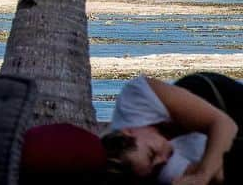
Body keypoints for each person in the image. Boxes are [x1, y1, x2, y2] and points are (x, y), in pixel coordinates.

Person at [103, 72, 243, 184]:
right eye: (155, 167)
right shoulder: (159, 168)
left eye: (152, 153)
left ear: (127, 132)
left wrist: (203, 174)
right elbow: (219, 175)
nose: (162, 160)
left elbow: (224, 124)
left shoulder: (135, 100)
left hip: (217, 96)